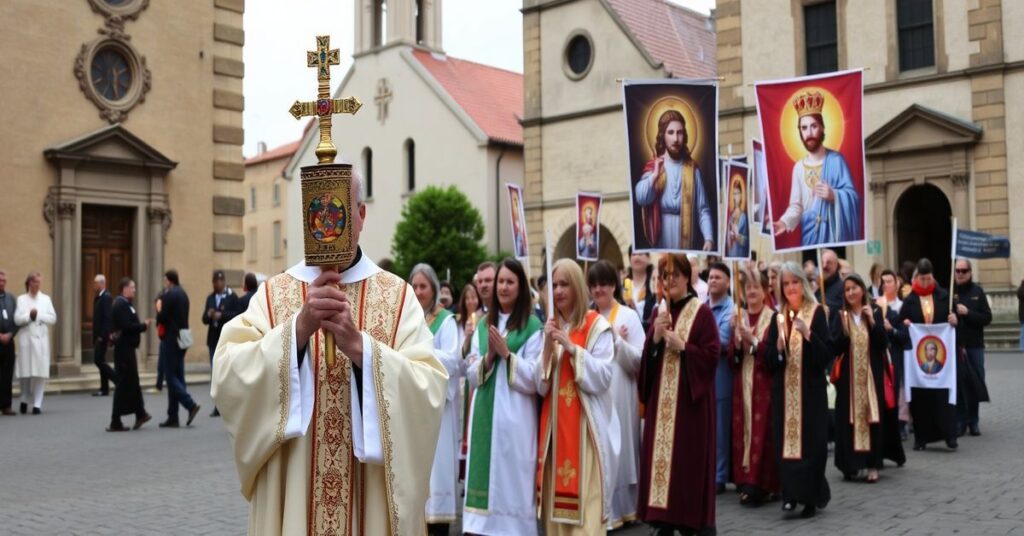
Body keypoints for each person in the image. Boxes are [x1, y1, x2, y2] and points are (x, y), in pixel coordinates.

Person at [211, 172, 448, 535]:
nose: (328, 223)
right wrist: (298, 330)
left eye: (338, 210)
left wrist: (361, 349)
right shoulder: (275, 295)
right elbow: (229, 372)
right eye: (317, 211)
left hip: (368, 500)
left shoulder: (397, 298)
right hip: (295, 501)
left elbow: (429, 388)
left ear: (361, 214)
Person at [638, 254, 719, 535]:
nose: (669, 280)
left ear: (687, 277)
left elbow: (711, 355)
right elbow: (647, 361)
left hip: (689, 405)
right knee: (663, 464)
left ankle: (687, 519)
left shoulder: (703, 312)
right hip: (662, 402)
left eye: (675, 274)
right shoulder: (658, 313)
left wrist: (684, 346)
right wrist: (656, 340)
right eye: (664, 275)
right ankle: (663, 519)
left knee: (686, 462)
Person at [463, 258, 543, 535]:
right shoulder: (484, 325)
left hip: (516, 417)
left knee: (513, 474)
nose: (503, 287)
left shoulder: (533, 327)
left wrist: (508, 355)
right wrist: (490, 356)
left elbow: (536, 379)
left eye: (510, 282)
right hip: (484, 412)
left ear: (521, 287)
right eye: (501, 281)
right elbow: (471, 374)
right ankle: (481, 526)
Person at [536, 259, 614, 534]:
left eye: (564, 284)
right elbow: (540, 386)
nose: (557, 291)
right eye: (554, 285)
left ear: (578, 287)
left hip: (585, 435)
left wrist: (571, 348)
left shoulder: (596, 326)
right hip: (555, 437)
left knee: (587, 519)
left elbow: (604, 377)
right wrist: (547, 346)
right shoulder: (549, 327)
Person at [766, 262, 831, 518]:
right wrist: (778, 349)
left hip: (811, 394)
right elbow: (769, 358)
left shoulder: (817, 313)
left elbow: (825, 356)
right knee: (786, 445)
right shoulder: (777, 316)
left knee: (811, 445)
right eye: (786, 283)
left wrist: (808, 335)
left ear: (802, 284)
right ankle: (790, 495)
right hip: (785, 393)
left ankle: (810, 497)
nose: (791, 287)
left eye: (795, 282)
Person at [830, 274, 904, 483]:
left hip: (872, 377)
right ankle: (851, 465)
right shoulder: (840, 315)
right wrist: (843, 333)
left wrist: (872, 320)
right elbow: (835, 347)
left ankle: (872, 465)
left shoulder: (875, 311)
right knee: (848, 419)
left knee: (872, 418)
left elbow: (882, 344)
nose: (851, 292)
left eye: (854, 288)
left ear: (862, 289)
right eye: (847, 289)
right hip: (848, 379)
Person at [588, 260, 645, 528]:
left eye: (605, 283)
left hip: (621, 393)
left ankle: (625, 509)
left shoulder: (628, 316)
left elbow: (640, 361)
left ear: (614, 285)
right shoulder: (587, 318)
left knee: (621, 449)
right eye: (595, 285)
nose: (600, 289)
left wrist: (617, 340)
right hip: (595, 393)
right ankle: (601, 511)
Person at [409, 263, 461, 536]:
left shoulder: (446, 321)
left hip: (438, 411)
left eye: (423, 287)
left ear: (434, 290)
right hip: (413, 410)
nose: (418, 292)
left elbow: (453, 359)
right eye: (415, 286)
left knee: (437, 475)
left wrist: (420, 353)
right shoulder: (407, 320)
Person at [772, 91, 860, 246]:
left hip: (833, 234)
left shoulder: (836, 161)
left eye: (813, 126)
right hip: (809, 234)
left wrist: (834, 195)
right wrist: (784, 222)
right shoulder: (798, 167)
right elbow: (796, 206)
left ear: (822, 128)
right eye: (804, 128)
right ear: (800, 132)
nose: (809, 133)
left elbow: (852, 196)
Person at [896, 258, 959, 451]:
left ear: (933, 277)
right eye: (922, 279)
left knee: (943, 397)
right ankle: (921, 438)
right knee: (921, 398)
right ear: (917, 278)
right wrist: (906, 325)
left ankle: (949, 436)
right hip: (919, 360)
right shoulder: (910, 300)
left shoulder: (944, 296)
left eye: (928, 278)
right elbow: (900, 323)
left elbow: (957, 323)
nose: (925, 282)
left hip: (942, 358)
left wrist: (955, 320)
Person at [730, 268, 780, 506]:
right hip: (742, 387)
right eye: (747, 287)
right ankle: (745, 479)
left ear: (765, 291)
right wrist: (737, 344)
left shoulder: (773, 318)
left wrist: (752, 342)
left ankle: (761, 484)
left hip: (764, 386)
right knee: (743, 432)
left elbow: (773, 356)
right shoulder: (738, 318)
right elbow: (732, 359)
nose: (751, 291)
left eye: (755, 287)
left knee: (763, 433)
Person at [634, 109, 715, 251]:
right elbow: (641, 198)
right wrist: (654, 176)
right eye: (670, 132)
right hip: (661, 233)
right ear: (662, 135)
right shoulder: (655, 166)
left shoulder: (692, 169)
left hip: (687, 232)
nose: (676, 139)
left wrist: (708, 237)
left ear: (685, 135)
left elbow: (703, 209)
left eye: (680, 132)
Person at [155, 270, 200, 428]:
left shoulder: (169, 295)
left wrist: (158, 308)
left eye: (165, 280)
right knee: (178, 376)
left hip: (171, 339)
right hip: (183, 338)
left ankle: (190, 404)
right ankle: (173, 416)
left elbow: (162, 317)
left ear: (169, 280)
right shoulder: (183, 294)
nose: (164, 283)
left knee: (170, 377)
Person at [952, 258, 991, 436]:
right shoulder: (950, 292)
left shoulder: (978, 292)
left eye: (963, 271)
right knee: (959, 383)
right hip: (956, 345)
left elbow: (987, 318)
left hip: (975, 346)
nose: (960, 274)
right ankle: (960, 421)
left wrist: (968, 313)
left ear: (970, 272)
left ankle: (973, 421)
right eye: (957, 271)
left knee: (975, 382)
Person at [107, 277, 152, 432]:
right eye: (132, 287)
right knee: (123, 384)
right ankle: (115, 421)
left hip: (128, 350)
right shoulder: (120, 304)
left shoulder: (125, 304)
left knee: (133, 382)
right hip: (123, 351)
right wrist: (143, 326)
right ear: (124, 289)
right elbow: (126, 326)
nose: (134, 290)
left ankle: (141, 413)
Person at [706, 262, 735, 494]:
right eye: (711, 277)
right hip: (703, 372)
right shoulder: (702, 306)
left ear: (727, 282)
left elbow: (722, 341)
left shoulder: (731, 309)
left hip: (721, 373)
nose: (713, 280)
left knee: (720, 426)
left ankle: (720, 475)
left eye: (718, 277)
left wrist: (698, 341)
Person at [14, 272, 57, 415]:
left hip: (40, 339)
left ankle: (37, 403)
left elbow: (53, 318)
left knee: (39, 372)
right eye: (34, 282)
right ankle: (25, 398)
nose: (36, 285)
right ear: (29, 283)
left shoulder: (45, 299)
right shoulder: (21, 299)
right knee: (25, 372)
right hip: (26, 339)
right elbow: (17, 320)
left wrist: (38, 315)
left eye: (38, 282)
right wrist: (29, 316)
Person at [203, 270, 236, 417]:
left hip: (227, 339)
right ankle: (217, 406)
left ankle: (229, 404)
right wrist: (209, 315)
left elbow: (236, 315)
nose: (217, 284)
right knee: (215, 373)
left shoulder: (231, 297)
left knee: (227, 373)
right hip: (213, 340)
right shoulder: (210, 298)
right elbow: (204, 319)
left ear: (223, 282)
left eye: (220, 281)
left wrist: (221, 315)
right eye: (215, 281)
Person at [91, 274, 117, 397]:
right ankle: (104, 388)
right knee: (101, 360)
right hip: (98, 335)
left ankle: (117, 380)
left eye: (96, 283)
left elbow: (107, 318)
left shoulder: (106, 297)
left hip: (102, 335)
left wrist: (103, 335)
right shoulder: (99, 297)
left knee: (98, 360)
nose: (94, 286)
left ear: (102, 284)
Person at [0, 269, 18, 415]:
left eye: (4, 281)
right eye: (0, 280)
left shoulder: (11, 298)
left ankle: (6, 405)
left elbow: (17, 319)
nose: (2, 283)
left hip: (9, 342)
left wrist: (11, 334)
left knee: (7, 375)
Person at [624, 249, 655, 332]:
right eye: (633, 254)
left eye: (640, 254)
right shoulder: (624, 286)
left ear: (648, 258)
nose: (637, 257)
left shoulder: (654, 285)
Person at [726, 176, 750, 258]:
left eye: (738, 193)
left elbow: (747, 241)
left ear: (741, 194)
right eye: (734, 193)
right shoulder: (730, 215)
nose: (736, 196)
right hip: (731, 253)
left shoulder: (744, 216)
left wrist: (737, 236)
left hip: (740, 254)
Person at [819, 249, 844, 318]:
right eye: (822, 263)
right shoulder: (817, 288)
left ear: (836, 265)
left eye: (828, 263)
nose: (824, 266)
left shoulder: (843, 287)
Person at [1018, 278, 1024, 351]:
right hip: (1023, 316)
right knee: (1023, 333)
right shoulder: (1021, 291)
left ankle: (1022, 347)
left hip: (1022, 316)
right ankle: (1022, 347)